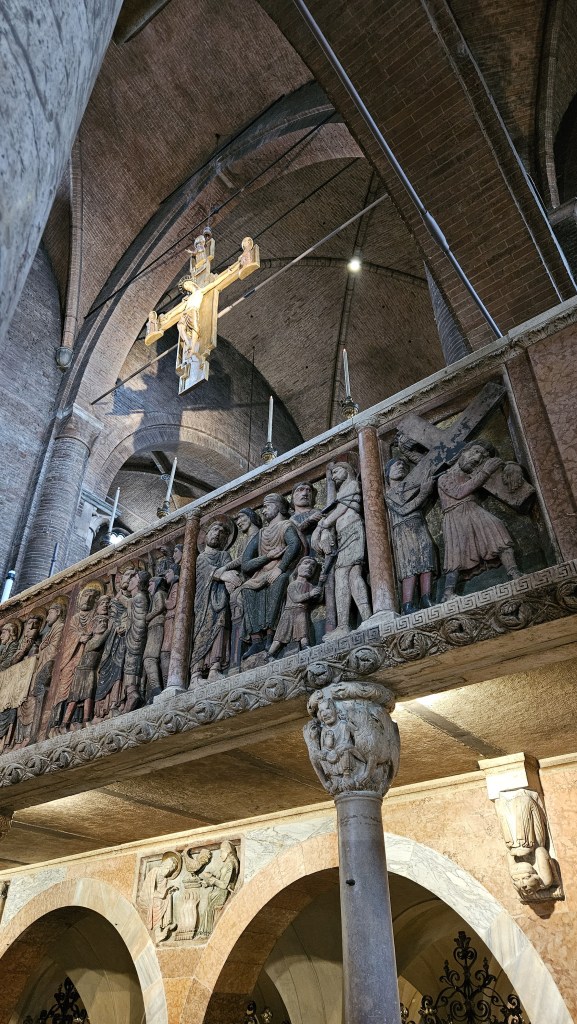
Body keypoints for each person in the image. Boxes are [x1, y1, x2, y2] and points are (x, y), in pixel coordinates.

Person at [438, 441, 522, 600]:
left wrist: (512, 466)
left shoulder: (475, 473)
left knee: (496, 527)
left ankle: (514, 573)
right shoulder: (444, 477)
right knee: (456, 552)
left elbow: (500, 473)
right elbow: (459, 492)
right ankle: (448, 593)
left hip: (473, 509)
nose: (477, 458)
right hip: (455, 515)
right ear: (463, 452)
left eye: (482, 456)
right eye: (475, 451)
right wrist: (485, 471)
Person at [312, 461, 371, 636]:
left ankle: (354, 622)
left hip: (352, 531)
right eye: (332, 474)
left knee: (348, 574)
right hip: (345, 534)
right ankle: (352, 622)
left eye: (337, 472)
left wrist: (323, 525)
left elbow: (342, 509)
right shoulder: (342, 489)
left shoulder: (352, 484)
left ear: (347, 470)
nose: (333, 476)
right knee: (348, 575)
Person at [241, 494, 302, 659]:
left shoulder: (285, 526)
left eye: (267, 505)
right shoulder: (261, 533)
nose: (263, 510)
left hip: (280, 570)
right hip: (262, 573)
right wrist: (267, 557)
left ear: (279, 506)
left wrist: (280, 568)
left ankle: (271, 636)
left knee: (279, 582)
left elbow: (294, 544)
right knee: (247, 588)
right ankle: (256, 640)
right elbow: (245, 564)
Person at [384, 457, 437, 614]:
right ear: (387, 473)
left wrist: (426, 491)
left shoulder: (411, 488)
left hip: (419, 524)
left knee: (427, 557)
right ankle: (407, 603)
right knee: (410, 563)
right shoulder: (389, 493)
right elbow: (403, 509)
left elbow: (421, 505)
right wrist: (424, 493)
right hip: (403, 529)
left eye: (403, 465)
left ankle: (426, 597)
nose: (400, 467)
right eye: (396, 465)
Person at [190, 518, 239, 681]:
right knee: (202, 631)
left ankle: (214, 668)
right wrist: (224, 575)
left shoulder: (224, 555)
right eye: (214, 530)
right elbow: (211, 572)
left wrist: (230, 577)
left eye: (221, 533)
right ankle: (196, 674)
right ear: (206, 535)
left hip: (221, 598)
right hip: (204, 601)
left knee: (220, 627)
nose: (217, 534)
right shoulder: (201, 557)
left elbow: (230, 569)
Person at [268, 556, 322, 657]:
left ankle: (305, 646)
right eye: (306, 563)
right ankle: (269, 655)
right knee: (280, 636)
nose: (309, 567)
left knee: (303, 631)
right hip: (289, 613)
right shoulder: (293, 585)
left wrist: (319, 590)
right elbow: (296, 598)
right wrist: (310, 594)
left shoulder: (310, 586)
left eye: (313, 566)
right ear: (298, 567)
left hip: (301, 612)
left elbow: (316, 599)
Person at [197, 840, 239, 938]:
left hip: (222, 893)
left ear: (228, 851)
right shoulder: (226, 865)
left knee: (209, 908)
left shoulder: (230, 864)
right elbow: (219, 881)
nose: (220, 855)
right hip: (217, 892)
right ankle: (204, 933)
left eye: (221, 852)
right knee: (207, 907)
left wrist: (213, 880)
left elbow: (224, 885)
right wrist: (208, 882)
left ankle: (206, 933)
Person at [140, 852, 181, 943]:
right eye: (168, 868)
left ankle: (166, 925)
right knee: (158, 901)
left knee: (169, 897)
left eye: (171, 870)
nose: (169, 871)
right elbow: (150, 890)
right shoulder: (155, 871)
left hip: (158, 895)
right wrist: (162, 894)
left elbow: (163, 891)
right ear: (165, 865)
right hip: (149, 895)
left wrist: (169, 891)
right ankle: (157, 931)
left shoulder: (165, 879)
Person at [143, 576, 168, 699]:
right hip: (159, 623)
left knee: (149, 658)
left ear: (156, 583)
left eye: (150, 584)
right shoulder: (164, 593)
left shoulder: (159, 593)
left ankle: (156, 688)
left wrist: (148, 617)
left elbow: (160, 607)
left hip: (156, 624)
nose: (148, 588)